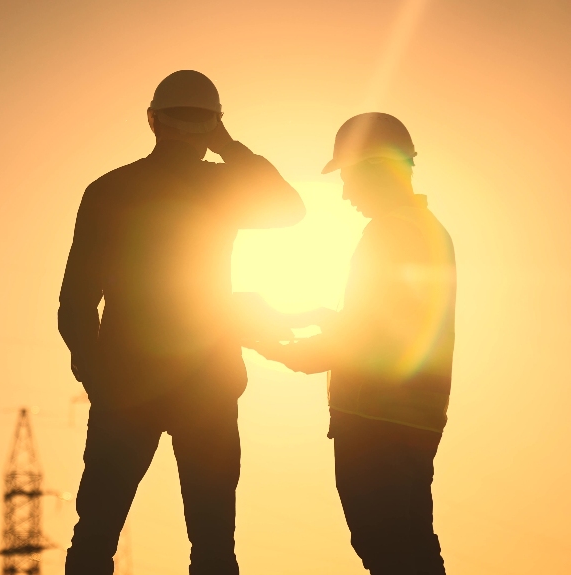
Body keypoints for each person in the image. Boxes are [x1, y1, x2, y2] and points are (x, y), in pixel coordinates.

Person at [58, 70, 305, 575]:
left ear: (153, 121)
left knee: (96, 535)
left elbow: (76, 301)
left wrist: (98, 378)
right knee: (213, 544)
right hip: (207, 386)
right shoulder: (221, 186)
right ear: (211, 125)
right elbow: (289, 207)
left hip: (125, 386)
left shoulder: (110, 190)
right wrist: (230, 146)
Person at [252, 113, 456, 575]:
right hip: (411, 418)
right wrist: (312, 318)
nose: (345, 193)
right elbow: (388, 325)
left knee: (385, 546)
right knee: (412, 545)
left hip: (376, 420)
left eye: (348, 177)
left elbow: (367, 339)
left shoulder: (391, 233)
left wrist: (277, 347)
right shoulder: (425, 231)